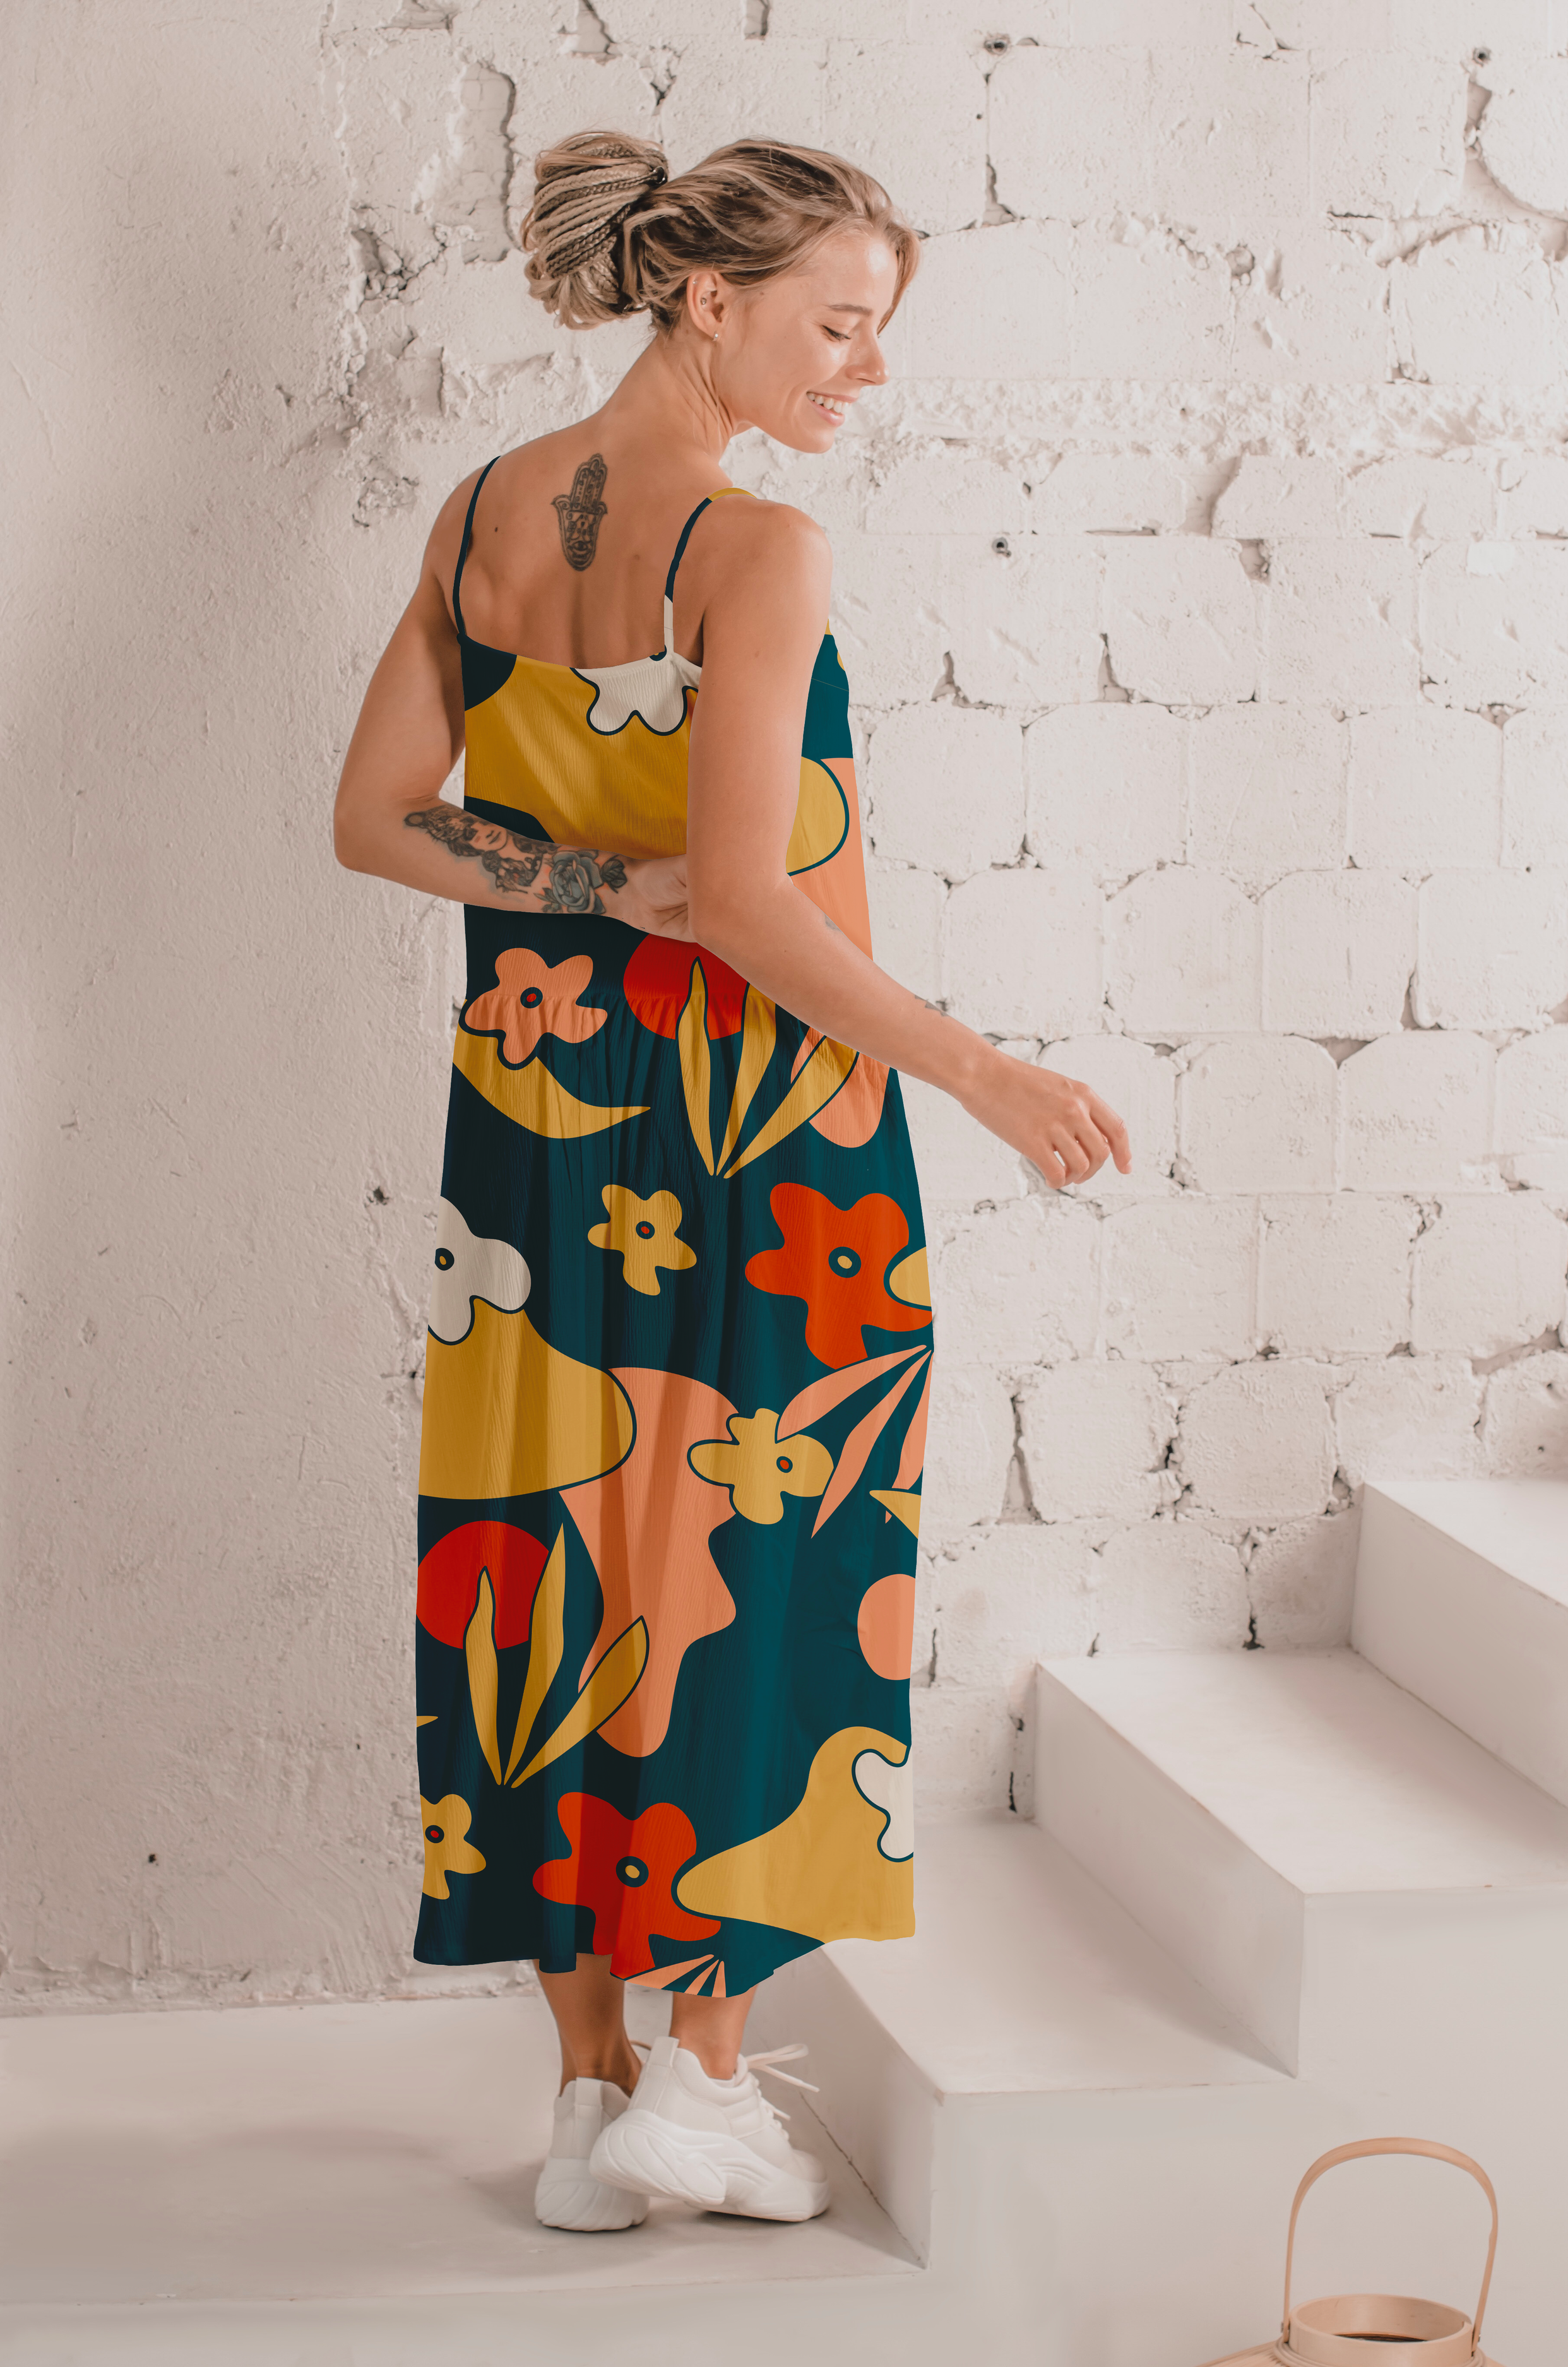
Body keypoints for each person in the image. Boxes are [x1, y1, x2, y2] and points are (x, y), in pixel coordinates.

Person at [335, 129, 1129, 2234]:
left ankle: (587, 2103)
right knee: (747, 1565)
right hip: (752, 1136)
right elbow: (764, 911)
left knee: (559, 1552)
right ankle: (698, 2069)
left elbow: (374, 816)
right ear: (711, 298)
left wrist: (588, 883)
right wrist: (976, 1065)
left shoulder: (484, 515)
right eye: (839, 322)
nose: (860, 370)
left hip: (527, 1126)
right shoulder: (753, 550)